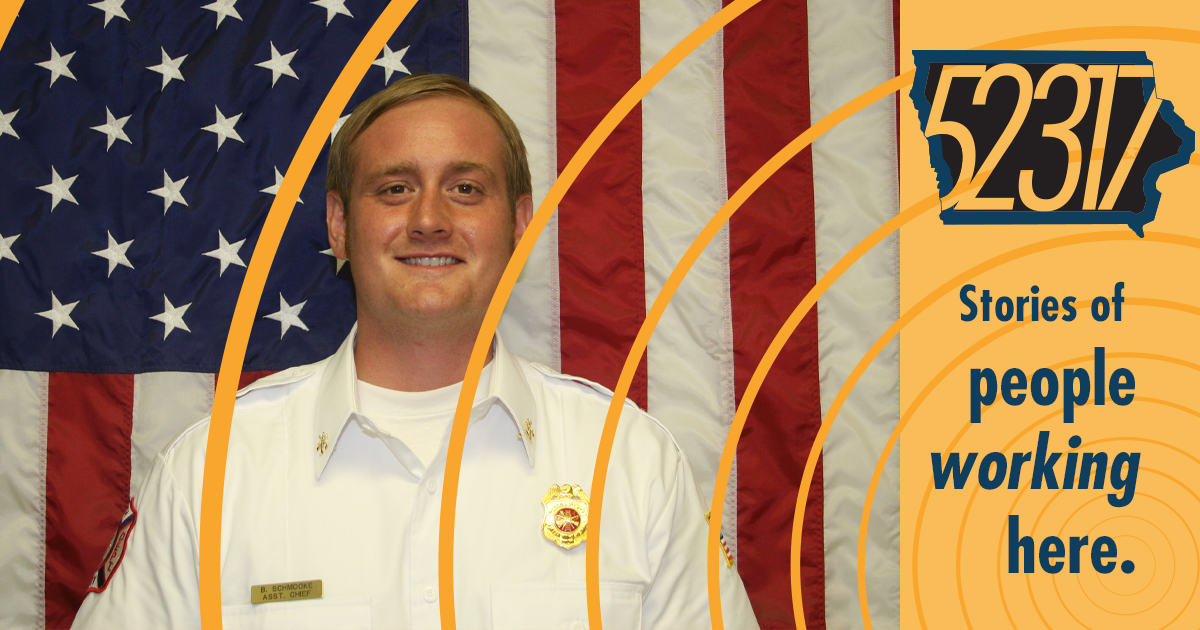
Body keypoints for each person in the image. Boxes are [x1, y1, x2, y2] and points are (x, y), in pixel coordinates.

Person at [72, 73, 760, 629]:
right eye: (396, 189)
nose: (429, 219)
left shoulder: (629, 461)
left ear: (518, 226)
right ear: (340, 227)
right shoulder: (212, 472)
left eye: (465, 189)